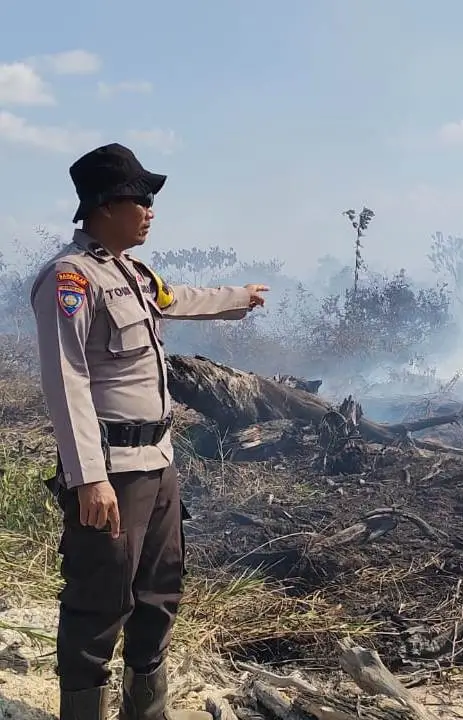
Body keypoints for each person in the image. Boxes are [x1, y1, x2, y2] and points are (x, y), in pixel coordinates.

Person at [29, 143, 269, 720]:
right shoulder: (70, 279)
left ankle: (146, 710)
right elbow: (66, 381)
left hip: (157, 464)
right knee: (99, 598)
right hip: (111, 472)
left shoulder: (130, 272)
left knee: (160, 589)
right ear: (105, 206)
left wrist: (239, 298)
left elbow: (175, 297)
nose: (150, 211)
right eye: (140, 200)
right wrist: (89, 479)